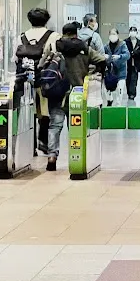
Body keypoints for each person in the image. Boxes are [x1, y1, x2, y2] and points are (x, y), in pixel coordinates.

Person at [39, 22, 107, 171]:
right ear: (76, 33)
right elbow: (102, 60)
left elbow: (41, 65)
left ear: (63, 33)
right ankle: (76, 155)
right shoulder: (84, 48)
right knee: (75, 126)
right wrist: (93, 72)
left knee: (55, 126)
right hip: (77, 93)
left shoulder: (54, 47)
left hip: (56, 91)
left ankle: (52, 156)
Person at [14, 8, 60, 151]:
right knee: (45, 110)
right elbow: (57, 56)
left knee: (28, 109)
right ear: (46, 20)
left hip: (25, 77)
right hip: (45, 77)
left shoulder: (21, 37)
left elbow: (15, 59)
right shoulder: (53, 36)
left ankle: (30, 145)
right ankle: (43, 141)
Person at [103, 29, 130, 106]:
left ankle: (118, 105)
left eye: (114, 34)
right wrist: (105, 57)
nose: (112, 36)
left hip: (120, 71)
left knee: (119, 90)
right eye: (111, 34)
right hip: (110, 72)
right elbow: (102, 54)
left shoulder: (122, 44)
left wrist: (119, 56)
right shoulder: (106, 46)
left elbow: (127, 55)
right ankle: (109, 100)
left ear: (118, 35)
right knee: (106, 88)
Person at [124, 26, 140, 100]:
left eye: (134, 31)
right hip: (127, 63)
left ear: (137, 32)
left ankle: (132, 94)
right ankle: (129, 92)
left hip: (136, 64)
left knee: (134, 79)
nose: (133, 32)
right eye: (131, 31)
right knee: (128, 79)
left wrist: (135, 53)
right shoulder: (125, 42)